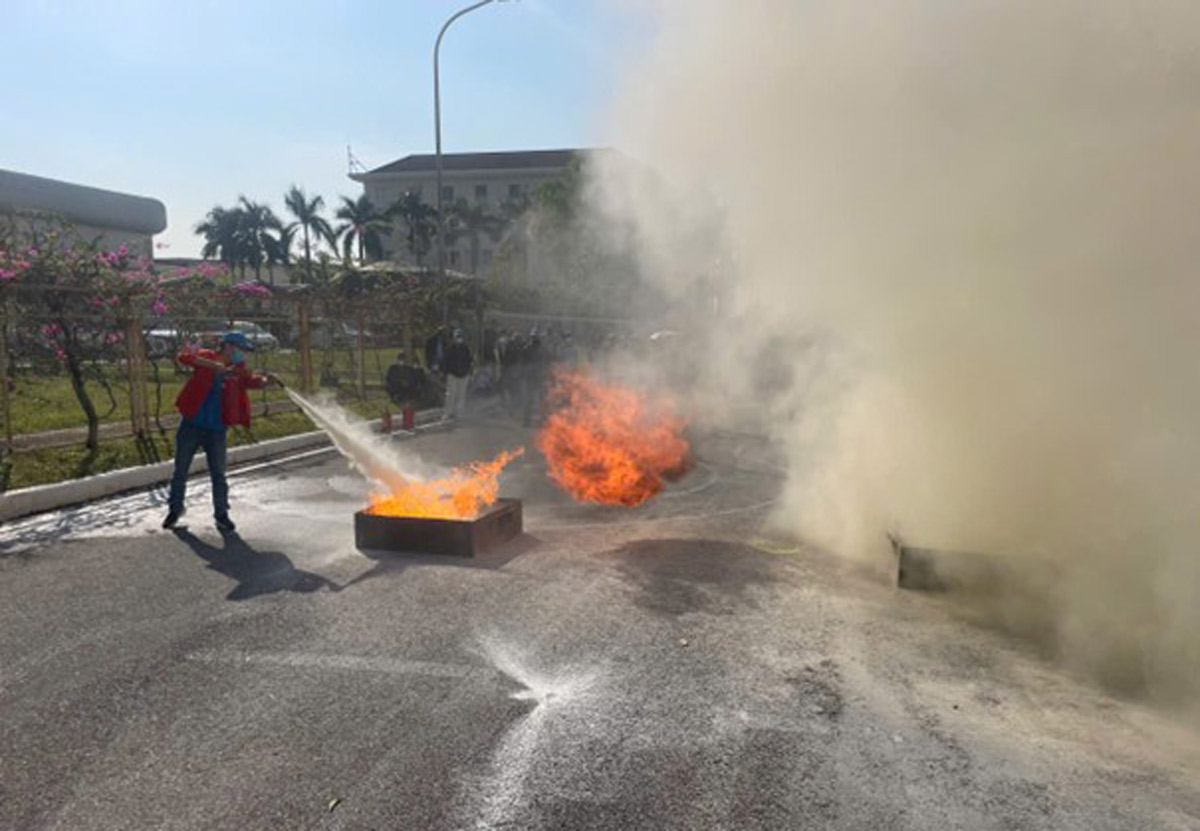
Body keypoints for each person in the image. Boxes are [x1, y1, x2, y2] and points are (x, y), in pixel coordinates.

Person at [162, 332, 282, 532]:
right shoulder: (207, 357)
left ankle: (221, 514)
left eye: (244, 351)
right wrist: (213, 366)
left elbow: (250, 380)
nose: (242, 354)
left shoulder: (238, 369)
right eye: (240, 349)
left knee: (218, 474)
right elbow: (184, 357)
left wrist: (265, 381)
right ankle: (175, 509)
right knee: (180, 470)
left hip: (217, 430)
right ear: (228, 347)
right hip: (192, 424)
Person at [385, 350, 425, 431]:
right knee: (405, 405)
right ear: (397, 360)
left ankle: (408, 423)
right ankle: (407, 423)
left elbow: (417, 379)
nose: (401, 362)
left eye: (403, 360)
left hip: (407, 392)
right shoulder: (393, 369)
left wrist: (417, 369)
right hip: (397, 392)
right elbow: (389, 380)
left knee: (408, 405)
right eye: (400, 360)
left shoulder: (409, 370)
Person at [443, 328, 473, 420]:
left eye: (460, 337)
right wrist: (447, 373)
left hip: (464, 374)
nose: (459, 339)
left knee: (461, 395)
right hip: (452, 374)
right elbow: (446, 362)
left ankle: (459, 413)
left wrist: (469, 372)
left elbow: (469, 361)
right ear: (454, 338)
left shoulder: (466, 348)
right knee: (450, 395)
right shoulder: (450, 349)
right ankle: (448, 413)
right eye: (457, 337)